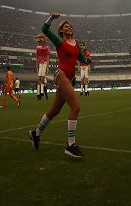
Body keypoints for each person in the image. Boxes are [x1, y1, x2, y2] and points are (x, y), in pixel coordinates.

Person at [29, 12, 91, 158]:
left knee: (54, 111)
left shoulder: (76, 44)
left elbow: (83, 59)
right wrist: (51, 18)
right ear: (62, 31)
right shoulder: (59, 41)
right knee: (76, 106)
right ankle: (70, 145)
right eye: (66, 26)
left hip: (69, 79)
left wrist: (89, 60)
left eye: (70, 26)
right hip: (61, 75)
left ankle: (35, 133)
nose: (69, 27)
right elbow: (45, 30)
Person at [35, 34, 50, 100]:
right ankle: (39, 93)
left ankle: (41, 92)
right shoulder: (37, 47)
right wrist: (36, 65)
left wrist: (47, 66)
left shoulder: (47, 47)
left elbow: (48, 57)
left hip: (44, 63)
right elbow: (37, 56)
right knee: (39, 78)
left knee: (42, 78)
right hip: (40, 64)